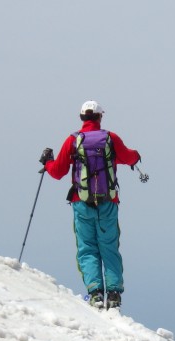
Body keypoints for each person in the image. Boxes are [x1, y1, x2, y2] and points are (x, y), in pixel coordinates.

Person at [39, 100, 141, 310]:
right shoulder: (111, 138)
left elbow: (58, 171)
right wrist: (136, 155)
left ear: (81, 118)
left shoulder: (73, 140)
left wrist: (47, 163)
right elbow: (129, 157)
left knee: (87, 249)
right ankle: (114, 294)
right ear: (100, 117)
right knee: (109, 247)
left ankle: (95, 293)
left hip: (81, 203)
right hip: (108, 203)